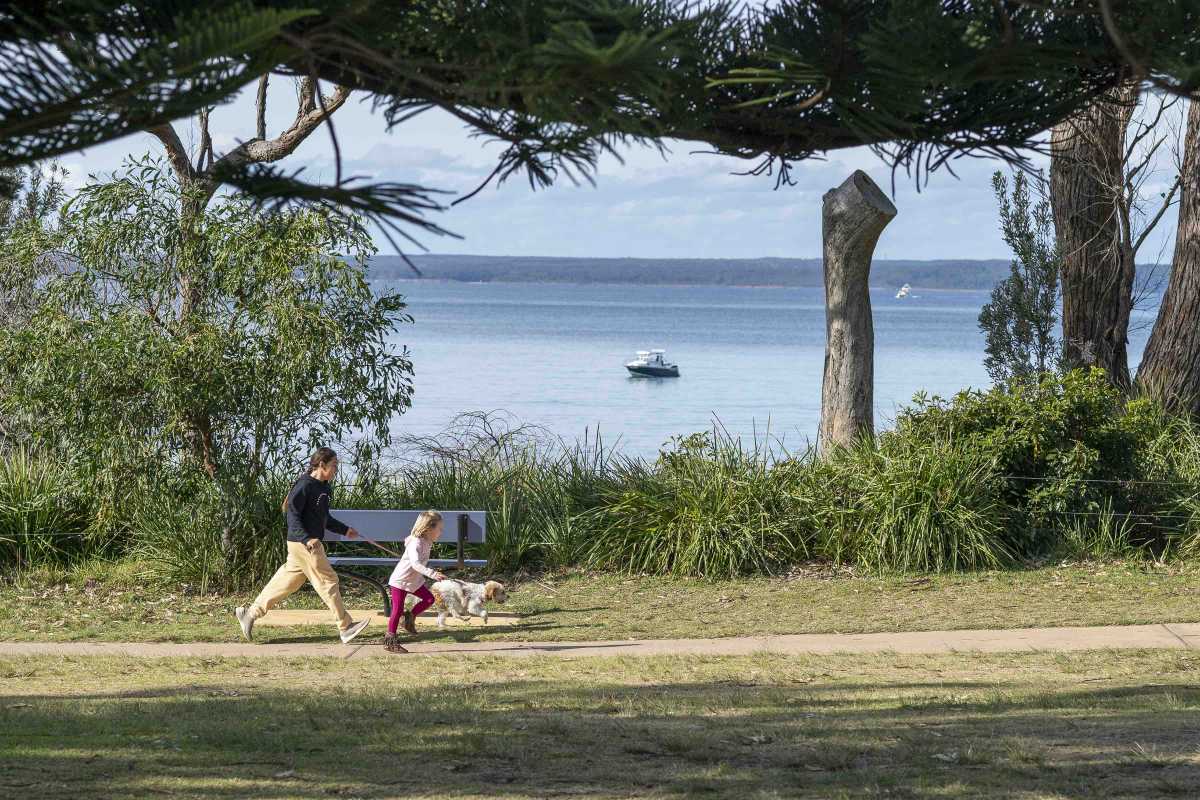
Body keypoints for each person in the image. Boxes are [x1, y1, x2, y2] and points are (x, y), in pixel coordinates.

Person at [235, 447, 371, 644]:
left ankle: (250, 613)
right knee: (328, 581)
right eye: (333, 466)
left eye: (337, 466)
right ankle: (346, 626)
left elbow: (323, 517)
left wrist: (344, 530)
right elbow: (292, 516)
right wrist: (307, 539)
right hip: (305, 544)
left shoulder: (324, 487)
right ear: (321, 465)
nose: (336, 470)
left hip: (302, 544)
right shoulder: (305, 485)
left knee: (288, 582)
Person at [383, 510, 448, 653]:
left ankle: (409, 618)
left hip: (414, 580)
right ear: (428, 528)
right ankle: (390, 640)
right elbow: (415, 564)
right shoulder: (416, 543)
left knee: (429, 599)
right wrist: (432, 574)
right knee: (397, 610)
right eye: (439, 529)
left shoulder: (427, 541)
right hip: (400, 581)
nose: (441, 532)